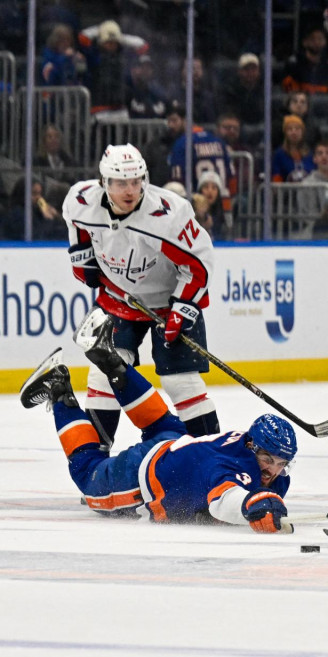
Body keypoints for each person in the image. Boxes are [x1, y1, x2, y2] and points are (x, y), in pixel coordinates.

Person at [20, 340, 294, 534]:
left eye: (281, 463)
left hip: (175, 441)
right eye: (267, 459)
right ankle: (57, 388)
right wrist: (251, 506)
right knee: (87, 474)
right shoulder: (233, 470)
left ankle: (111, 360)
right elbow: (225, 501)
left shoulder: (242, 444)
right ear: (251, 446)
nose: (273, 470)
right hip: (142, 476)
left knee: (158, 421)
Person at [62, 144, 219, 448]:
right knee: (103, 374)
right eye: (121, 183)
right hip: (118, 298)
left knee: (181, 382)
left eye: (136, 181)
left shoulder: (168, 214)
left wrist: (182, 309)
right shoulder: (81, 200)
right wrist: (82, 256)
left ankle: (210, 461)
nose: (130, 190)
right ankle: (95, 461)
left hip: (169, 301)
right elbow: (76, 225)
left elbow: (199, 264)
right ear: (104, 182)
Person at [282, 25, 328, 94]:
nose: (317, 42)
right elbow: (289, 92)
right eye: (312, 39)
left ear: (325, 42)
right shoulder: (294, 66)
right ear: (304, 42)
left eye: (320, 39)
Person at [219, 53, 264, 125]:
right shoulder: (230, 91)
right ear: (239, 71)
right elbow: (231, 114)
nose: (250, 73)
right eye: (246, 69)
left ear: (259, 71)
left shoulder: (265, 90)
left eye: (253, 69)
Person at [271, 115, 314, 183]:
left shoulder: (310, 154)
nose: (294, 132)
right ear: (285, 133)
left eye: (297, 129)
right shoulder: (279, 155)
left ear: (302, 132)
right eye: (290, 129)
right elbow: (276, 178)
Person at [125, 54, 168, 119]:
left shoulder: (157, 92)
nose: (146, 71)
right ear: (133, 70)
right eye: (142, 67)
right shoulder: (127, 92)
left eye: (149, 68)